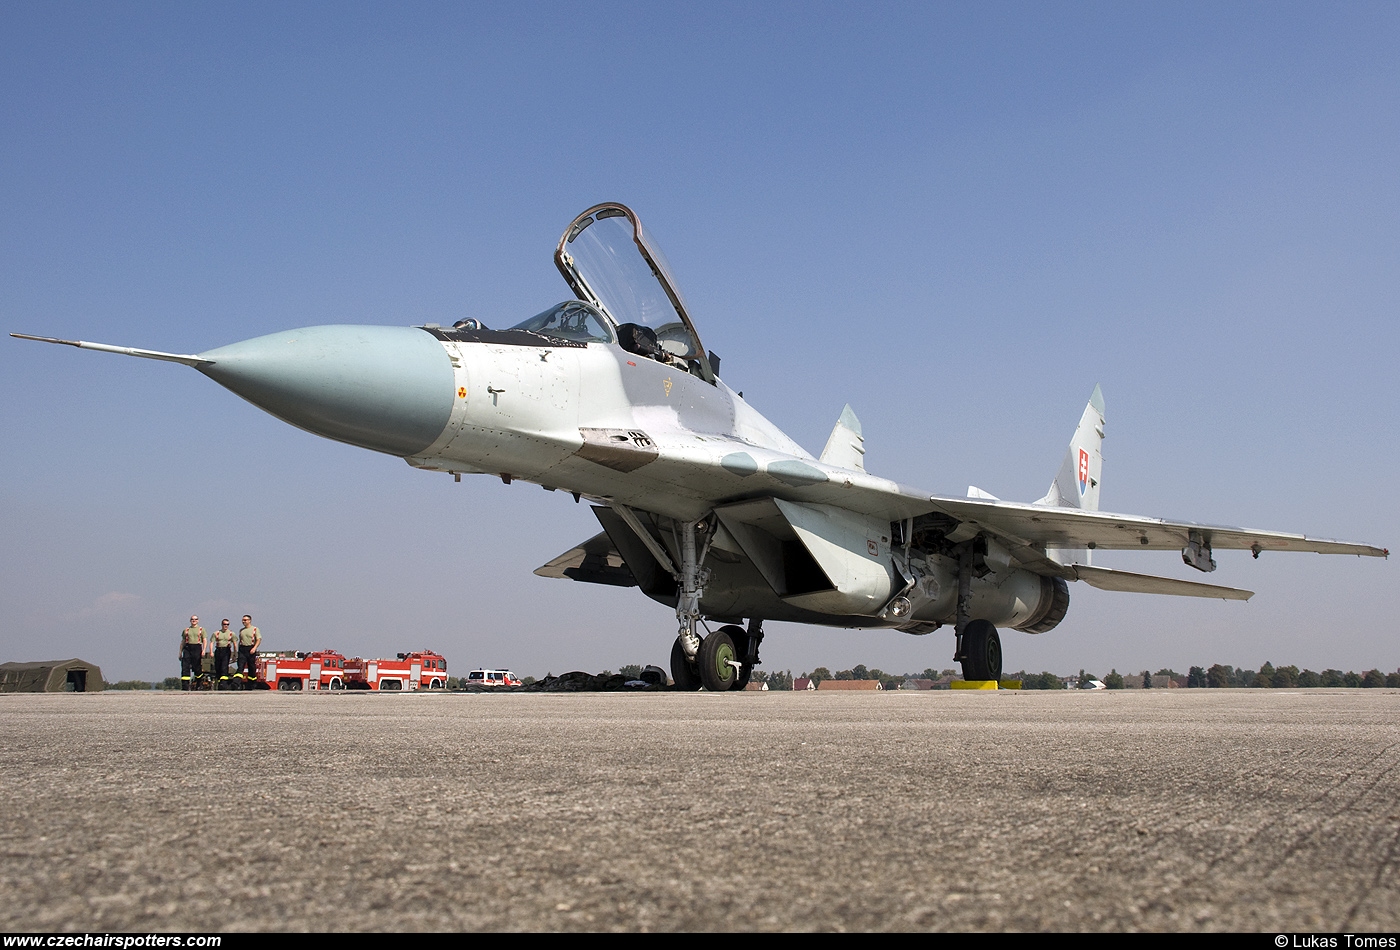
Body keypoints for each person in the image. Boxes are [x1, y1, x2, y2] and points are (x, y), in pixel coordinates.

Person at [179, 615, 206, 691]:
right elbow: (183, 641)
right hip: (187, 648)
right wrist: (180, 652)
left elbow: (204, 640)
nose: (194, 620)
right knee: (185, 667)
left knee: (197, 667)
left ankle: (199, 682)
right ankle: (185, 686)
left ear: (198, 621)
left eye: (195, 619)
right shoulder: (186, 630)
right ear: (190, 620)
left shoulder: (201, 630)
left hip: (197, 647)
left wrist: (204, 650)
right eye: (192, 619)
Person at [235, 614, 261, 689]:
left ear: (249, 621)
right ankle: (236, 683)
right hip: (242, 649)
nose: (243, 621)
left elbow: (259, 639)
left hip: (251, 648)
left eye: (245, 620)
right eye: (243, 620)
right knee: (240, 666)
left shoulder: (255, 629)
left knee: (251, 667)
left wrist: (254, 648)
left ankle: (252, 684)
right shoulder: (241, 630)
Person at [211, 618, 235, 688]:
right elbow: (212, 642)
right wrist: (211, 651)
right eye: (224, 624)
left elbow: (235, 643)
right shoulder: (216, 633)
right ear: (222, 625)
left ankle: (223, 683)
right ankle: (219, 681)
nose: (226, 626)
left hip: (226, 650)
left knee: (224, 667)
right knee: (218, 667)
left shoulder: (231, 633)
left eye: (227, 624)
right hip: (218, 650)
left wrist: (235, 653)